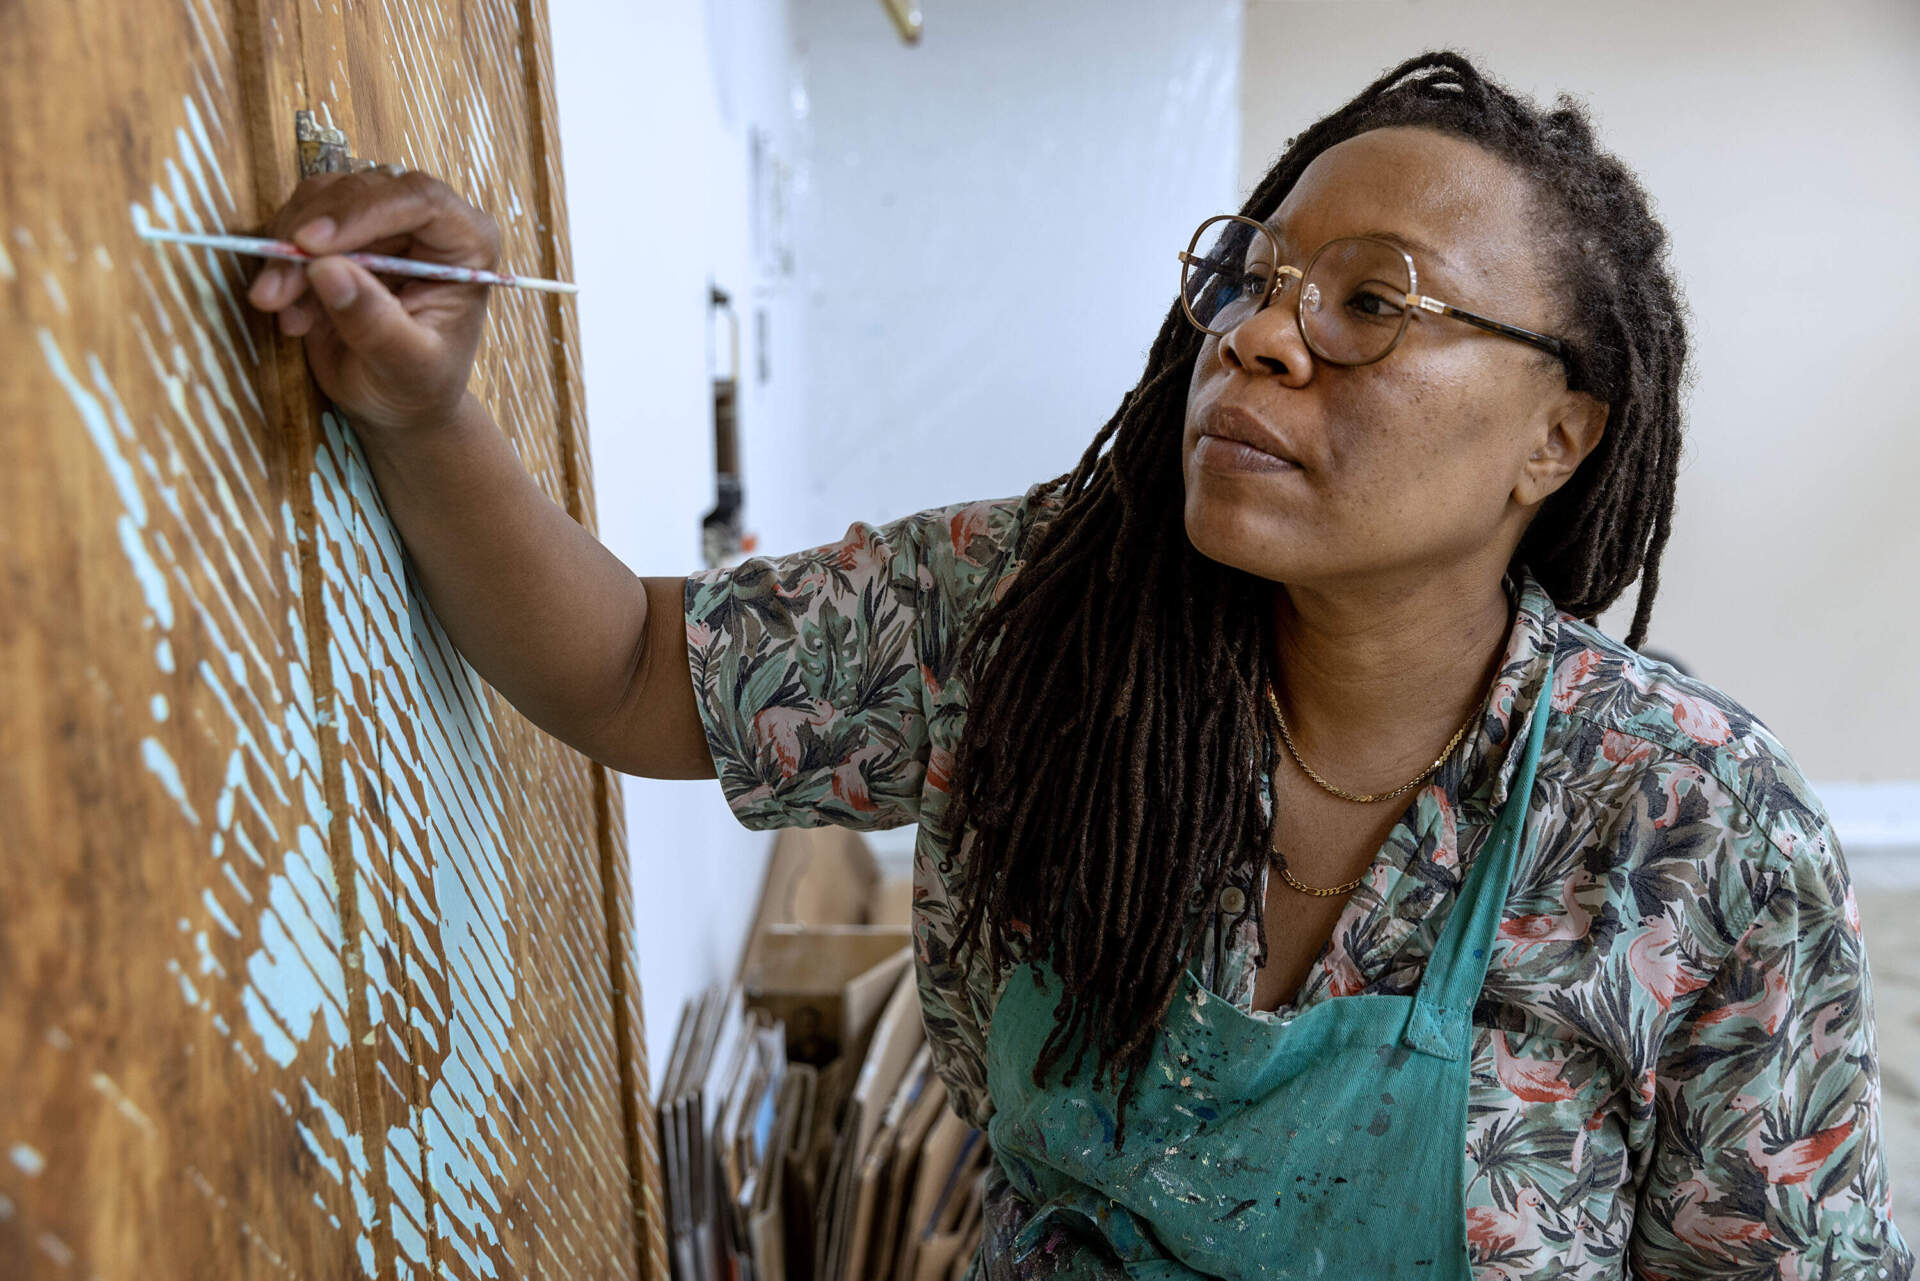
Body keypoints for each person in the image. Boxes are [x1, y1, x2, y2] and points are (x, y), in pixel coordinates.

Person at [245, 47, 1909, 1281]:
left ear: (1557, 434)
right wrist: (424, 408)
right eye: (1251, 278)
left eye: (1371, 304)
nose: (1260, 336)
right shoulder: (1041, 614)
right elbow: (627, 667)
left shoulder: (1694, 830)